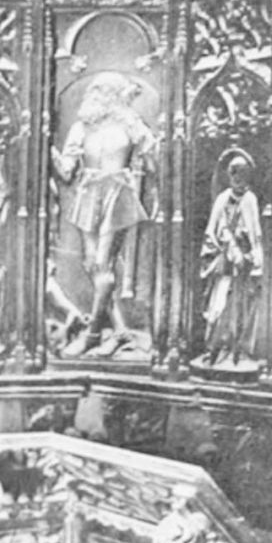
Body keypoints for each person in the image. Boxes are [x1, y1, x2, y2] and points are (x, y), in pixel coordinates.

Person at [50, 71, 159, 354]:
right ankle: (120, 331)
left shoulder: (130, 124)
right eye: (93, 90)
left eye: (101, 90)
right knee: (91, 265)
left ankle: (93, 334)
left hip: (117, 195)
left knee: (102, 264)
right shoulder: (81, 128)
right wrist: (46, 148)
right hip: (88, 194)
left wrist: (144, 142)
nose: (94, 95)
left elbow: (154, 162)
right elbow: (66, 172)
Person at [199, 149, 263, 365]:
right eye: (233, 172)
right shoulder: (222, 199)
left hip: (244, 265)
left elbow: (256, 234)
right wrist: (228, 246)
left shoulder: (250, 200)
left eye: (242, 172)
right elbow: (212, 230)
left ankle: (238, 350)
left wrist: (252, 257)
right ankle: (215, 348)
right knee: (219, 305)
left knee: (242, 306)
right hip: (225, 263)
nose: (237, 177)